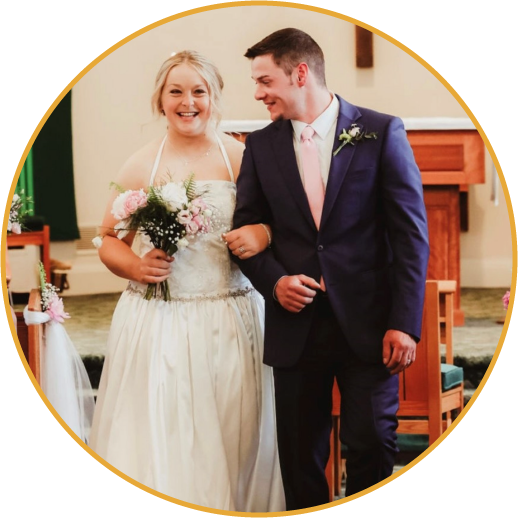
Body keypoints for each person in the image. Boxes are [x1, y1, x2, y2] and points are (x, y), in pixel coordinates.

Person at [231, 28, 430, 510]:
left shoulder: (382, 132)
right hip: (296, 328)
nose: (257, 93)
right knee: (299, 458)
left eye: (264, 80)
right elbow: (244, 234)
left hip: (371, 328)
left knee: (371, 446)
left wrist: (404, 323)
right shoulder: (260, 147)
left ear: (300, 73)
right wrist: (274, 281)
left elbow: (410, 236)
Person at [89, 50, 285, 512]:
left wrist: (265, 232)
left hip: (230, 315)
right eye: (176, 91)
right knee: (166, 427)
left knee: (232, 427)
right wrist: (135, 267)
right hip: (159, 319)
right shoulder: (141, 163)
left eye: (199, 91)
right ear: (160, 99)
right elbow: (106, 238)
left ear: (215, 97)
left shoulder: (241, 157)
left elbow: (282, 225)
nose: (187, 101)